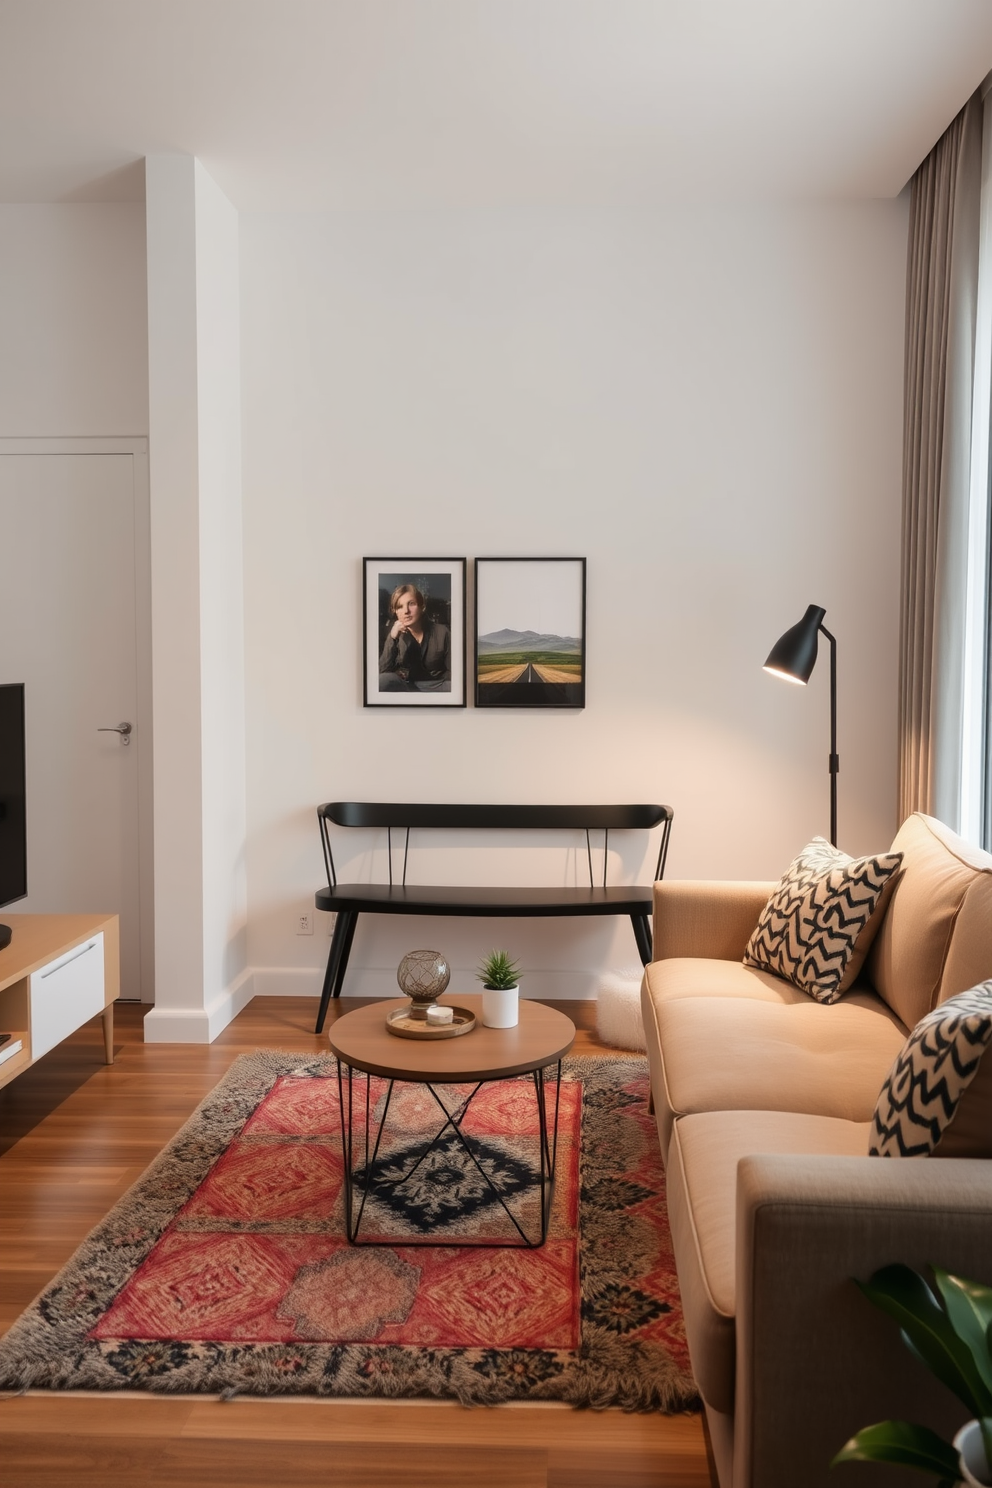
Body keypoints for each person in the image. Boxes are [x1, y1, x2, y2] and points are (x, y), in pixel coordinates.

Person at [378, 583, 451, 691]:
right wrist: (393, 638)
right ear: (396, 611)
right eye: (400, 607)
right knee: (383, 680)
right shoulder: (393, 634)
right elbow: (382, 672)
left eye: (411, 604)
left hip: (437, 686)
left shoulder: (442, 631)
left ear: (422, 606)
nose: (406, 611)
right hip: (407, 687)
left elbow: (455, 671)